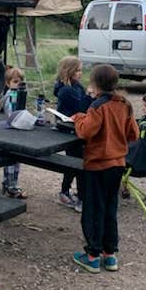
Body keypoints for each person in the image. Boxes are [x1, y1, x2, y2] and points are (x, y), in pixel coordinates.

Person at [71, 64, 139, 273]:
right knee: (110, 208)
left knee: (93, 209)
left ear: (95, 83)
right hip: (117, 163)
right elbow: (134, 134)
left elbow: (85, 132)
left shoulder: (97, 106)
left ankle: (92, 255)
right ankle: (110, 255)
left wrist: (79, 118)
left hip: (98, 164)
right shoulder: (125, 104)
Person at [53, 57, 90, 212]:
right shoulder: (67, 90)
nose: (81, 73)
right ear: (69, 71)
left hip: (77, 128)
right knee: (77, 163)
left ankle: (67, 191)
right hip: (69, 129)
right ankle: (78, 196)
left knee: (75, 162)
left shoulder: (77, 86)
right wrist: (90, 97)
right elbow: (82, 106)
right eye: (78, 70)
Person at [1, 67, 28, 199]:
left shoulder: (20, 94)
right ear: (8, 83)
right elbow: (11, 113)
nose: (19, 85)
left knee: (17, 161)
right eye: (16, 81)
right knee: (10, 161)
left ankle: (12, 184)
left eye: (21, 82)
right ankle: (10, 186)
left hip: (17, 130)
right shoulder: (10, 96)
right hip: (11, 130)